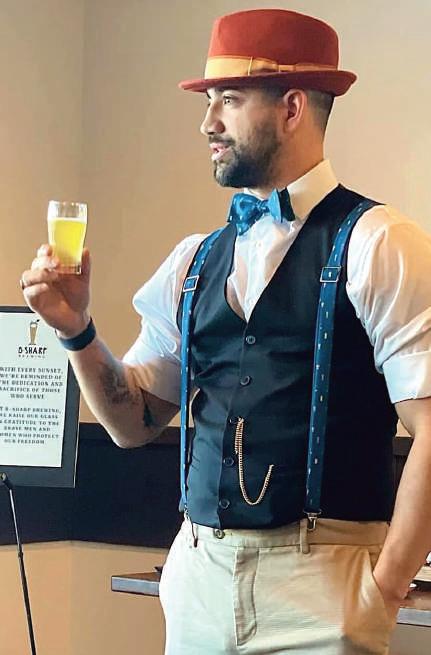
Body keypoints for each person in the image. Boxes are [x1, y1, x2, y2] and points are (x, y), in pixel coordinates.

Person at [21, 8, 431, 655]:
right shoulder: (194, 261)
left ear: (292, 107)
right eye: (208, 101)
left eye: (229, 100)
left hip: (324, 582)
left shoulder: (379, 243)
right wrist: (76, 331)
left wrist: (380, 590)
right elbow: (133, 423)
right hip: (199, 576)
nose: (207, 122)